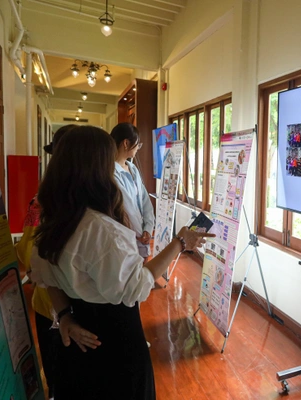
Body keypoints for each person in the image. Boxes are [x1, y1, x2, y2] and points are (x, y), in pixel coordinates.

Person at [30, 126, 214, 400]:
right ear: (95, 170)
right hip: (116, 346)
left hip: (78, 341)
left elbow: (46, 279)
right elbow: (137, 287)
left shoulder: (52, 223)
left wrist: (65, 315)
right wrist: (180, 242)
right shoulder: (101, 231)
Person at [15, 124, 76, 399]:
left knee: (54, 366)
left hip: (47, 302)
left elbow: (26, 252)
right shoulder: (97, 200)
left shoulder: (40, 201)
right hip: (86, 303)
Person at [111, 123, 155, 262]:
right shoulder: (112, 173)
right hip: (127, 237)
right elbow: (127, 208)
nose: (137, 148)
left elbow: (145, 200)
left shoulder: (132, 168)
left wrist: (148, 228)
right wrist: (141, 234)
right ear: (126, 143)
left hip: (141, 236)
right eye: (137, 144)